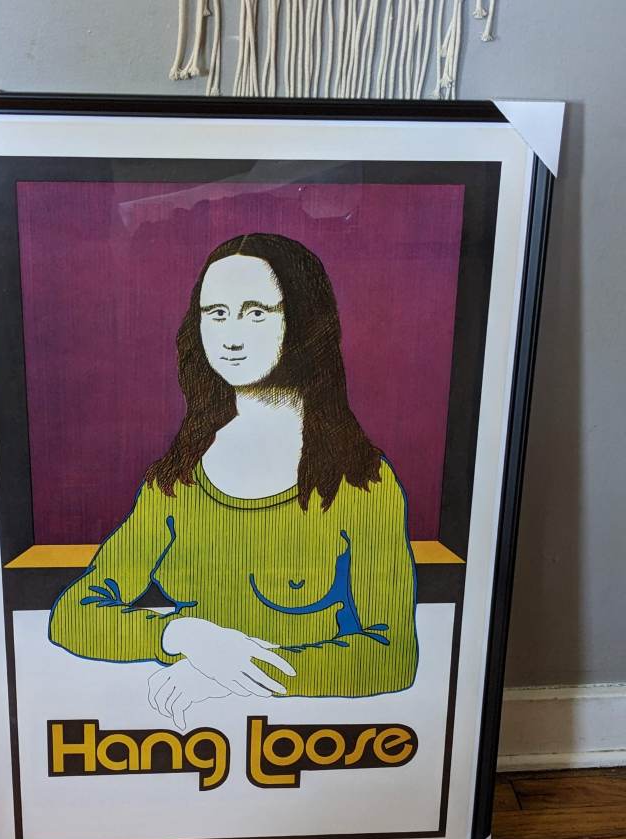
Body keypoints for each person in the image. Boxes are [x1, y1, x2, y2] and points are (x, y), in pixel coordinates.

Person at [49, 233, 418, 728]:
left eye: (256, 312)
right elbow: (74, 615)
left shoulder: (361, 482)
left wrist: (229, 673)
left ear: (303, 321)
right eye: (216, 313)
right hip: (182, 735)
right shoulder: (178, 477)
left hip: (308, 738)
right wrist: (186, 637)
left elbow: (391, 656)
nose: (231, 337)